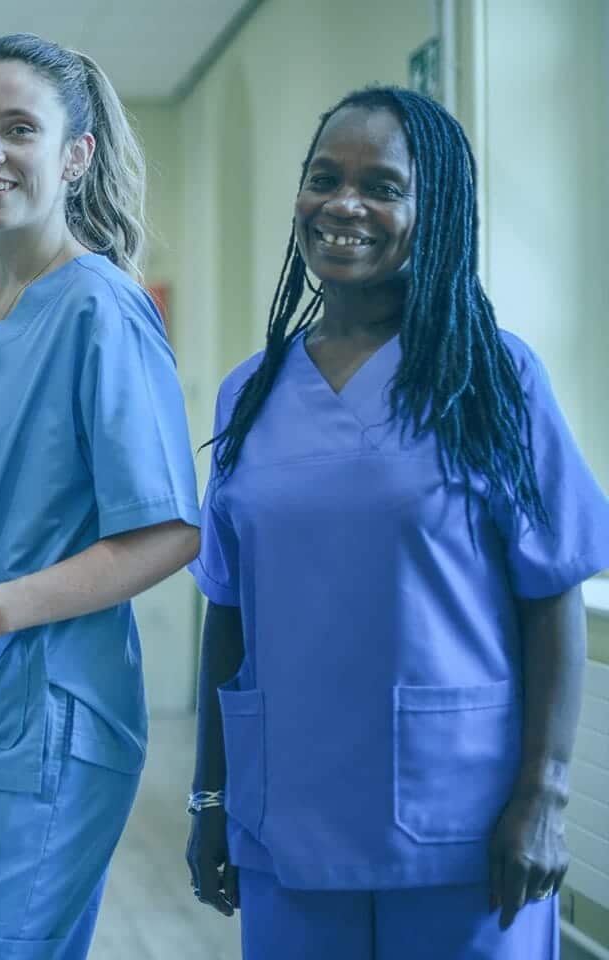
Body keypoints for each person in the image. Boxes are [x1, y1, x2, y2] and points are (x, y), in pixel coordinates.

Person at [185, 86, 609, 959]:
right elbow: (227, 616)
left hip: (467, 826)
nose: (344, 205)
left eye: (382, 186)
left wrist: (545, 796)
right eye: (324, 178)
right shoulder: (251, 392)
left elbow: (553, 596)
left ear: (435, 210)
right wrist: (210, 801)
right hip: (287, 816)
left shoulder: (494, 378)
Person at [0, 33, 201, 960]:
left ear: (76, 153)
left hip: (47, 705)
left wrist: (3, 609)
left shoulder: (101, 304)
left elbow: (170, 529)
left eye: (20, 128)